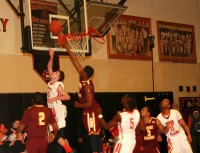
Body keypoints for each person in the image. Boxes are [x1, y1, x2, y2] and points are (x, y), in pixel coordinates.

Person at [63, 42, 103, 153]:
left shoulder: (88, 87)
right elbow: (75, 61)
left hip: (92, 111)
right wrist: (67, 47)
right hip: (87, 111)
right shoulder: (83, 78)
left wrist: (78, 105)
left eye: (83, 70)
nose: (81, 70)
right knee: (92, 134)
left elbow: (90, 104)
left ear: (86, 74)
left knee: (94, 135)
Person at [47, 48, 72, 153]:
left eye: (56, 73)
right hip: (53, 108)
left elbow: (67, 97)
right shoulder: (51, 81)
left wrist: (55, 98)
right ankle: (69, 150)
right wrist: (51, 56)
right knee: (60, 134)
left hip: (57, 108)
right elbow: (49, 66)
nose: (54, 72)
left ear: (58, 78)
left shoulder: (57, 85)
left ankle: (69, 150)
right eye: (55, 71)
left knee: (56, 133)